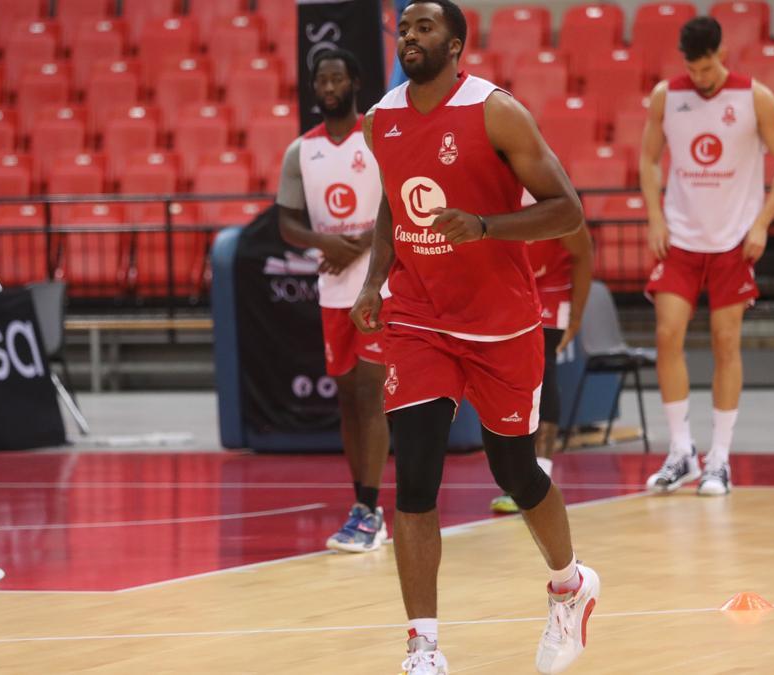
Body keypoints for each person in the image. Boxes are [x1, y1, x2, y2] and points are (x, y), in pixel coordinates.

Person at [352, 1, 599, 672]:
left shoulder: (497, 111)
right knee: (417, 477)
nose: (410, 37)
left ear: (457, 44)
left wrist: (487, 226)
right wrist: (375, 279)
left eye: (425, 27)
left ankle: (570, 584)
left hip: (501, 321)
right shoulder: (381, 120)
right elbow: (392, 204)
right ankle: (423, 645)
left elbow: (566, 210)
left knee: (515, 471)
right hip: (419, 317)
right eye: (404, 28)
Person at [639, 16, 774, 496]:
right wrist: (654, 217)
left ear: (721, 54)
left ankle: (720, 458)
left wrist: (762, 223)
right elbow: (648, 159)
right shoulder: (668, 96)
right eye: (695, 68)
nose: (703, 77)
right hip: (682, 238)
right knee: (667, 335)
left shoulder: (755, 97)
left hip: (732, 241)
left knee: (725, 344)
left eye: (709, 68)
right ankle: (682, 450)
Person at [277, 48, 390, 553]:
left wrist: (362, 244)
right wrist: (327, 244)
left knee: (371, 395)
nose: (328, 86)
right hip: (332, 289)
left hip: (379, 282)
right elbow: (287, 222)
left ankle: (374, 510)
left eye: (337, 77)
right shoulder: (300, 150)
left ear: (354, 82)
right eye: (320, 79)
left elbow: (397, 201)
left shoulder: (378, 134)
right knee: (347, 398)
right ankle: (360, 506)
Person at [490, 211, 593, 515]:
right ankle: (519, 474)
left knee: (543, 368)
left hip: (552, 289)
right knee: (512, 381)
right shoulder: (496, 189)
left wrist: (576, 316)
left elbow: (584, 254)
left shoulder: (547, 188)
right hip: (513, 287)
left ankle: (541, 473)